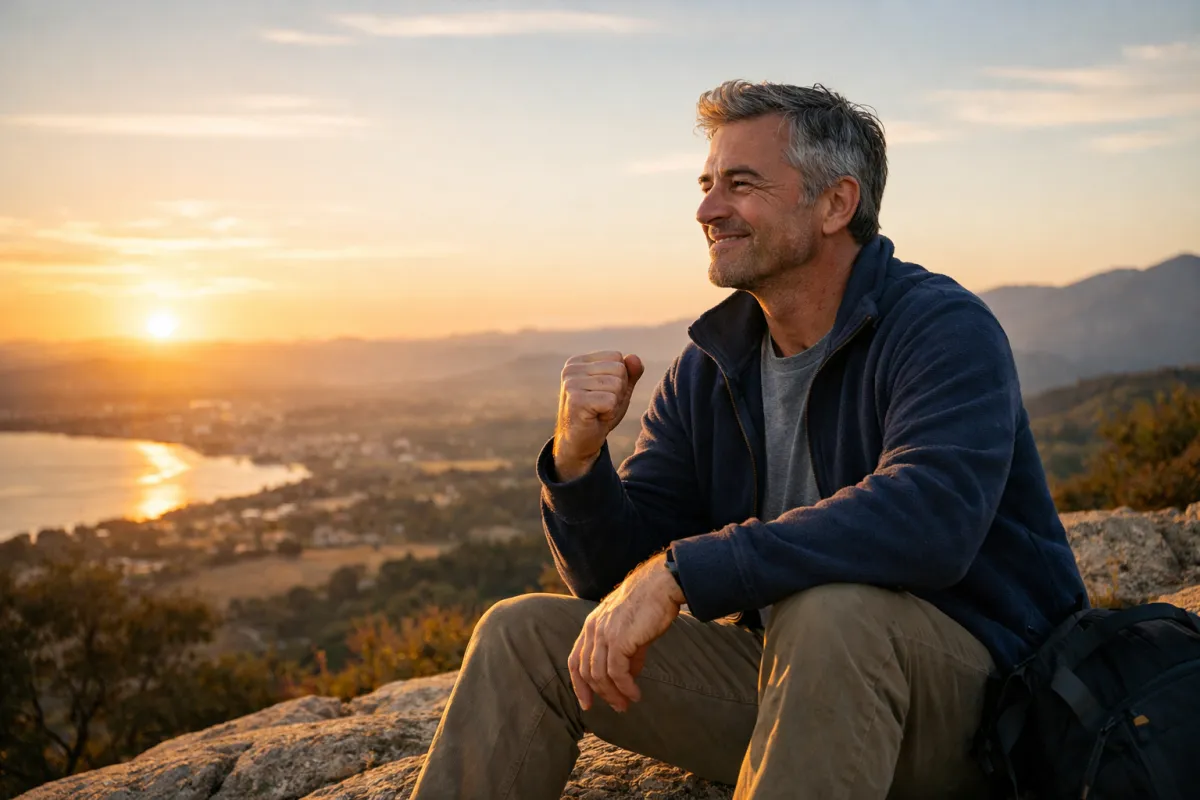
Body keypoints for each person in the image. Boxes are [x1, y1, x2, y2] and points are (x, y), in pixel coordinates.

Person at [409, 80, 1087, 799]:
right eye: (706, 185)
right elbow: (617, 584)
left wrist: (684, 570)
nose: (706, 209)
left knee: (832, 610)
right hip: (798, 690)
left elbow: (932, 518)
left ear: (835, 204)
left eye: (740, 184)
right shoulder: (712, 363)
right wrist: (578, 461)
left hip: (985, 711)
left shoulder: (940, 329)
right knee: (522, 635)